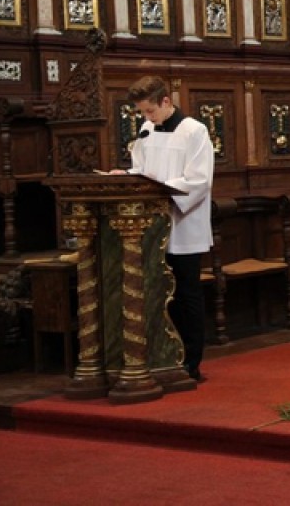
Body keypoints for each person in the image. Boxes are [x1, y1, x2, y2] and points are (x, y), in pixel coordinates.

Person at [111, 76, 214, 382]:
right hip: (152, 228)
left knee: (186, 293)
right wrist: (127, 176)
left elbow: (199, 180)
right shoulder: (146, 131)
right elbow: (143, 171)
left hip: (184, 225)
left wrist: (159, 191)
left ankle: (191, 362)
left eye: (149, 111)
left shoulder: (195, 131)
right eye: (142, 112)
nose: (146, 118)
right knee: (156, 292)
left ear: (166, 101)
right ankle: (162, 356)